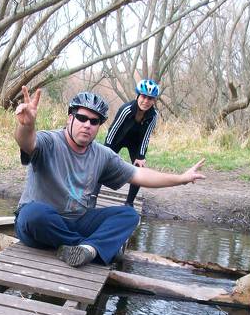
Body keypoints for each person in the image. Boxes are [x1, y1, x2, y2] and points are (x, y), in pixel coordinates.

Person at [14, 86, 205, 268]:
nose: (87, 125)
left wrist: (181, 178)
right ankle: (92, 248)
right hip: (40, 224)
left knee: (129, 215)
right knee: (33, 214)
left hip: (77, 222)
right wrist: (27, 126)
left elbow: (139, 174)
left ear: (99, 126)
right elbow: (27, 142)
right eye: (82, 118)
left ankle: (85, 249)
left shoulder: (102, 154)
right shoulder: (50, 141)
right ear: (70, 118)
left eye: (94, 121)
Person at [104, 79, 160, 207]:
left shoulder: (153, 115)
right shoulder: (126, 109)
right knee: (102, 164)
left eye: (150, 98)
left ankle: (129, 203)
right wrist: (106, 149)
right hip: (118, 139)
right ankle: (93, 194)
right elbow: (113, 130)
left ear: (154, 101)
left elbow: (146, 137)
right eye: (144, 97)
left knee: (139, 169)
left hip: (136, 142)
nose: (146, 101)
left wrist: (141, 156)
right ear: (138, 96)